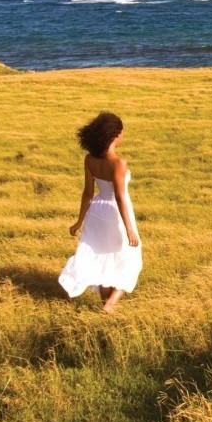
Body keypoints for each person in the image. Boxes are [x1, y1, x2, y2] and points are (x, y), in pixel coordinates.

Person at [57, 111, 143, 312]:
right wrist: (130, 230)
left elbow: (87, 193)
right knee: (130, 258)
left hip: (97, 212)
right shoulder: (118, 163)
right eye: (122, 133)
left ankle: (106, 307)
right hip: (116, 213)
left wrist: (79, 222)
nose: (123, 136)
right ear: (114, 135)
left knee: (103, 258)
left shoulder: (90, 160)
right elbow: (120, 197)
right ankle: (110, 305)